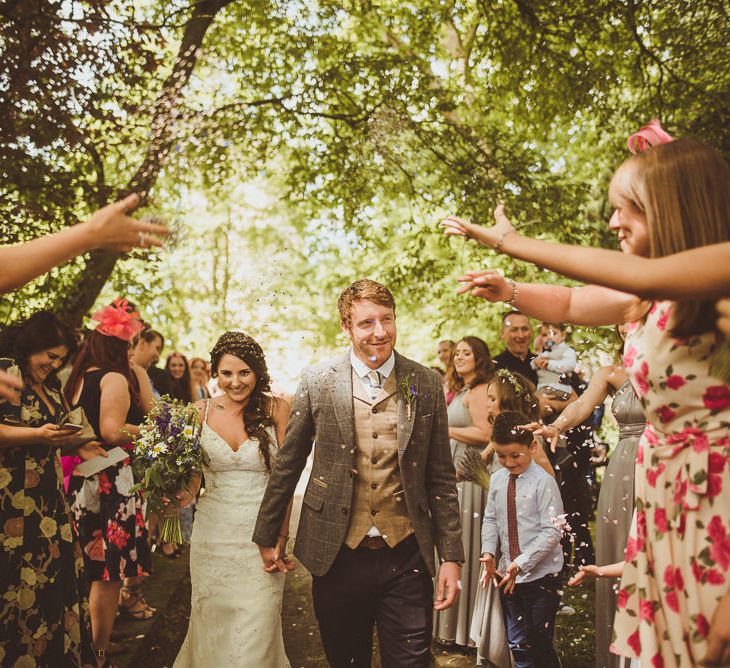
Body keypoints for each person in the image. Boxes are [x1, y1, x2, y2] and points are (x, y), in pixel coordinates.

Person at [442, 132, 730, 665]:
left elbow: (636, 272)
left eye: (629, 210)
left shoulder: (723, 271)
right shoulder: (649, 295)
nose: (615, 224)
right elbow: (573, 301)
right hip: (668, 496)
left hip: (718, 496)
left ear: (676, 209)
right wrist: (512, 290)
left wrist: (512, 241)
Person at [253, 279, 464, 667]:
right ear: (346, 327)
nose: (380, 332)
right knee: (346, 661)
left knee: (411, 661)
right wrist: (269, 533)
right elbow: (288, 462)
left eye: (387, 319)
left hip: (406, 553)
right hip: (337, 555)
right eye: (367, 323)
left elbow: (441, 477)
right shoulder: (318, 380)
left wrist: (451, 556)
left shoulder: (426, 382)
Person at [173, 332, 292, 667]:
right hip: (213, 538)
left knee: (258, 630)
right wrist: (170, 490)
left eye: (244, 373)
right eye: (227, 373)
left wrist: (280, 538)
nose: (236, 382)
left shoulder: (277, 409)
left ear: (258, 371)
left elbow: (285, 481)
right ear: (215, 372)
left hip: (261, 537)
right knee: (214, 627)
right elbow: (193, 482)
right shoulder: (198, 411)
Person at [522, 352, 645, 668]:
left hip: (664, 462)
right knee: (622, 549)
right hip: (625, 468)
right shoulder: (612, 373)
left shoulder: (673, 365)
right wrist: (556, 426)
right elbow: (580, 405)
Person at [0, 312, 97, 667]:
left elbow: (57, 432)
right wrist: (38, 435)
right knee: (14, 583)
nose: (54, 364)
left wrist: (80, 445)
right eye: (50, 356)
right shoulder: (7, 372)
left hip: (48, 501)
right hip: (11, 502)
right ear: (31, 346)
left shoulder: (53, 385)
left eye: (61, 359)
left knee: (52, 585)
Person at [64, 299, 154, 666]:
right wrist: (150, 430)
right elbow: (112, 430)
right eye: (130, 344)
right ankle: (97, 653)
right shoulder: (113, 377)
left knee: (87, 568)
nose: (132, 351)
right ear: (119, 346)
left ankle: (84, 645)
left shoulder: (76, 377)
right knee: (108, 572)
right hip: (109, 482)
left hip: (79, 480)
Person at [480, 411, 564, 668]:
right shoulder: (497, 480)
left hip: (543, 576)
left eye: (515, 455)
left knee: (539, 638)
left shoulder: (544, 483)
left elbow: (553, 531)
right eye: (501, 456)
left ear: (533, 447)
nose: (508, 462)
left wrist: (522, 561)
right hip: (509, 576)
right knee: (517, 641)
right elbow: (491, 519)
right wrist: (489, 552)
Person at [434, 336, 493, 647]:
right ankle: (448, 628)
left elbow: (486, 433)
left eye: (466, 353)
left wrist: (445, 430)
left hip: (471, 476)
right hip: (452, 474)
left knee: (466, 547)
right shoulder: (460, 390)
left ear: (480, 358)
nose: (459, 357)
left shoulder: (482, 390)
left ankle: (465, 631)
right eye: (456, 353)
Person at [531, 323, 577, 400]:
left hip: (560, 388)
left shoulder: (567, 350)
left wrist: (549, 363)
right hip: (544, 388)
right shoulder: (545, 354)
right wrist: (535, 362)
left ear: (563, 335)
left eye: (554, 333)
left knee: (533, 401)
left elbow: (569, 365)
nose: (549, 337)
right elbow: (532, 365)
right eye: (545, 335)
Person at [130, 328, 170, 398]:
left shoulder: (154, 375)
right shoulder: (128, 371)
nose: (158, 355)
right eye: (157, 348)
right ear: (142, 343)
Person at [437, 339, 457, 404]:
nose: (441, 355)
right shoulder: (446, 375)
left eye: (445, 351)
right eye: (439, 352)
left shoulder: (458, 373)